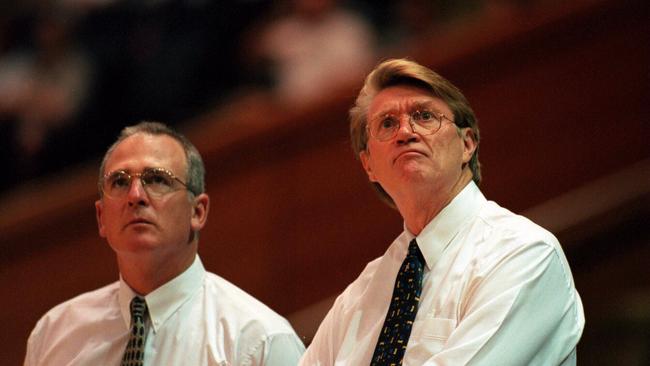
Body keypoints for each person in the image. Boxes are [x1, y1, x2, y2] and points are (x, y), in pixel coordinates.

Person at [300, 59, 585, 365]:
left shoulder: (523, 253)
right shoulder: (361, 295)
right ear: (369, 164)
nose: (405, 132)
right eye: (387, 123)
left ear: (467, 143)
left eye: (424, 116)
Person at [24, 122, 305, 365]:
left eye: (157, 179)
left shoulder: (258, 340)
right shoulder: (54, 333)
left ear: (198, 211)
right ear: (101, 217)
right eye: (120, 182)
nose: (136, 195)